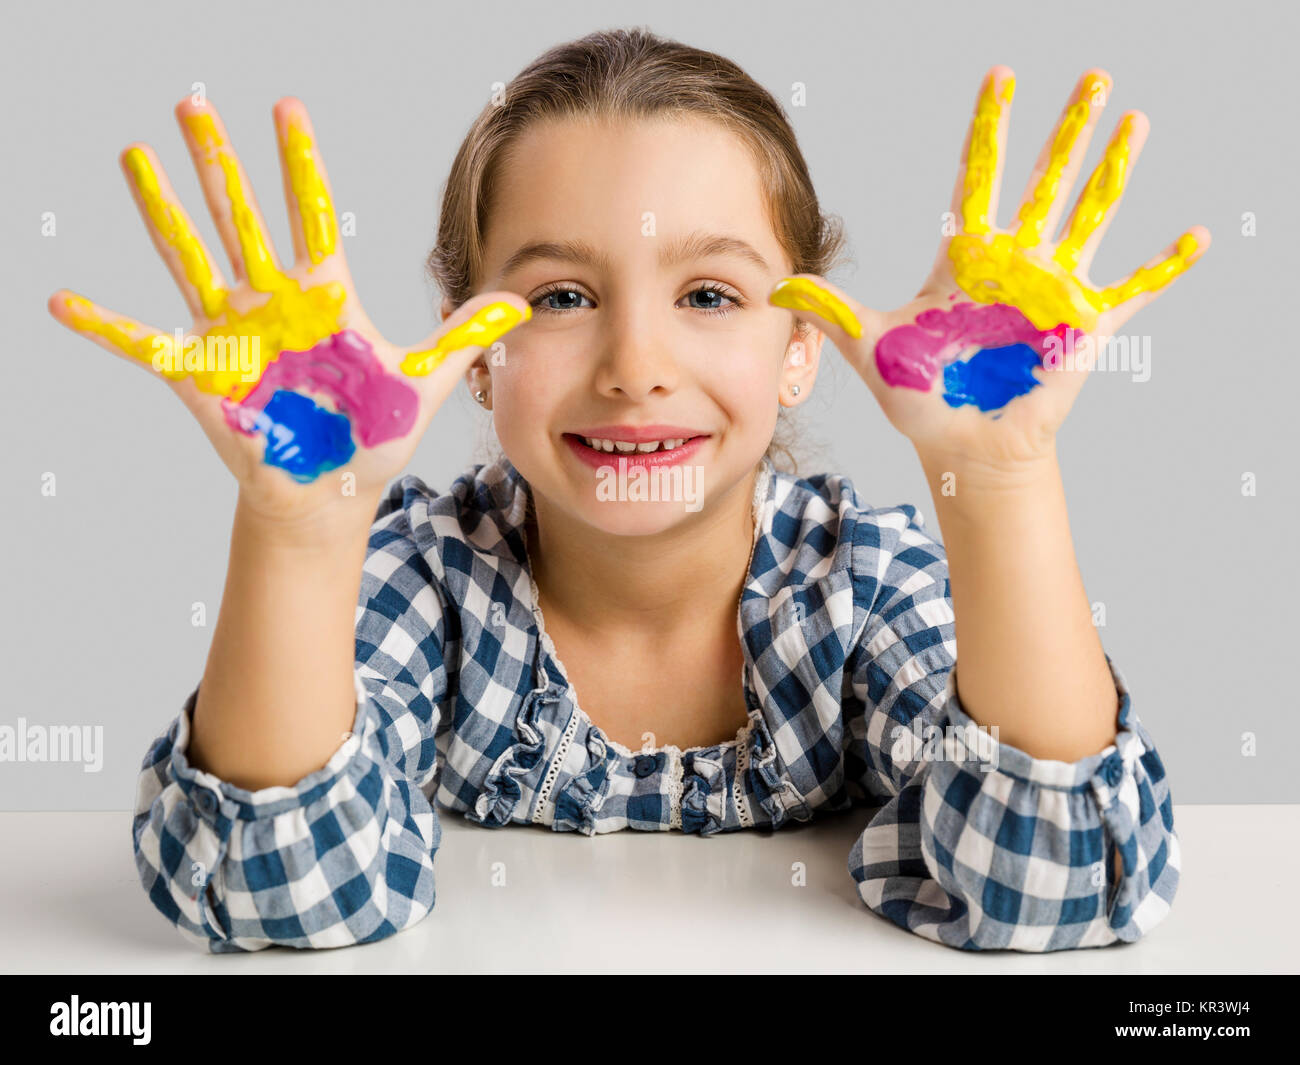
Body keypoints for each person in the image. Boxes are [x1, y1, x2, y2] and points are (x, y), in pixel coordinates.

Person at [49, 27, 1205, 954]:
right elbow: (280, 900)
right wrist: (297, 528)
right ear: (469, 347)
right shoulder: (421, 581)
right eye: (559, 298)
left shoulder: (862, 584)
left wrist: (998, 477)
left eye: (708, 294)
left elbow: (1050, 893)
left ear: (803, 340)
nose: (634, 365)